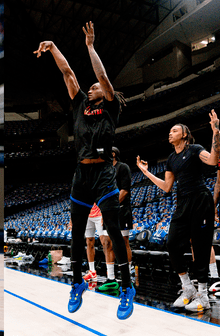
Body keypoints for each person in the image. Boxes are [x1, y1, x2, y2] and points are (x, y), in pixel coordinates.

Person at [33, 21, 135, 320]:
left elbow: (102, 76)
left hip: (104, 173)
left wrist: (90, 46)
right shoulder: (79, 104)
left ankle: (126, 287)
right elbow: (68, 72)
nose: (91, 87)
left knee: (113, 230)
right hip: (81, 175)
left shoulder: (110, 107)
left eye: (95, 87)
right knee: (77, 234)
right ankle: (77, 283)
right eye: (89, 87)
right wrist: (52, 47)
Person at [138, 119, 219, 312]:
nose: (170, 133)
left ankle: (203, 295)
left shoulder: (194, 149)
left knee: (200, 247)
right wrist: (146, 172)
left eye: (174, 130)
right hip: (182, 203)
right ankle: (188, 287)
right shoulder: (171, 158)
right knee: (172, 242)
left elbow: (213, 160)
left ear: (184, 134)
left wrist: (215, 132)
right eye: (169, 131)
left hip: (200, 199)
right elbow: (167, 187)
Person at [98, 146, 134, 292]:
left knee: (124, 242)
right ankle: (111, 278)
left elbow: (125, 190)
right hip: (108, 211)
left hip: (122, 209)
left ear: (113, 154)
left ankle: (129, 273)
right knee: (107, 243)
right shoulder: (104, 171)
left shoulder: (122, 167)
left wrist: (111, 205)